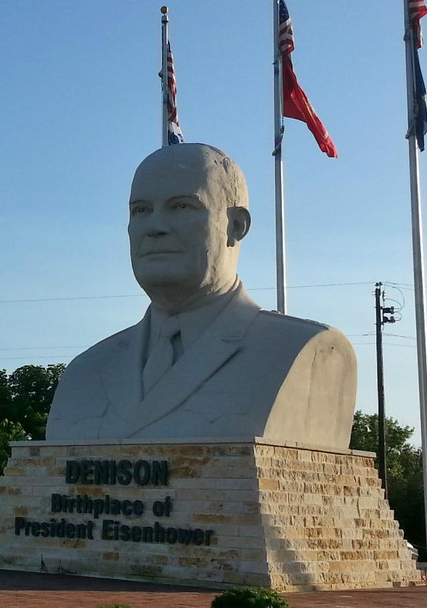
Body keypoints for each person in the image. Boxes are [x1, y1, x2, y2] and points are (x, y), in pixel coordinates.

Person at [45, 143, 356, 448]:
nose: (154, 226)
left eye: (181, 206)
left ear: (236, 225)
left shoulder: (307, 351)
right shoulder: (85, 371)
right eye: (141, 210)